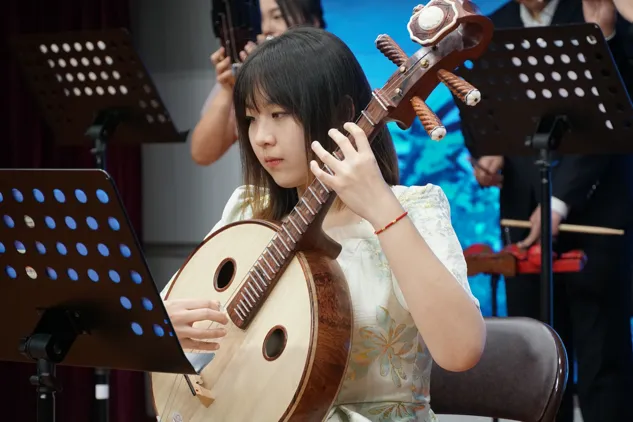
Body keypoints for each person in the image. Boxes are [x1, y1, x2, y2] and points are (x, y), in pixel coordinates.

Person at [164, 27, 485, 421]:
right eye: (251, 118)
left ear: (343, 113)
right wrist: (167, 327)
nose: (261, 137)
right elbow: (167, 313)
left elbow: (461, 351)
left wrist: (382, 210)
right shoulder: (248, 209)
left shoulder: (414, 209)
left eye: (279, 114)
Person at [464, 1, 633, 422]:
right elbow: (477, 105)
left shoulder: (595, 12)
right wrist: (486, 153)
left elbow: (614, 117)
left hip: (596, 212)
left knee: (603, 361)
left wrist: (558, 201)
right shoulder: (493, 26)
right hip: (523, 219)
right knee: (535, 362)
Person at [191, 0, 326, 166]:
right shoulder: (248, 74)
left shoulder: (328, 70)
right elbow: (202, 154)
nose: (266, 28)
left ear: (313, 21)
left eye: (277, 16)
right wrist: (229, 88)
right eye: (258, 19)